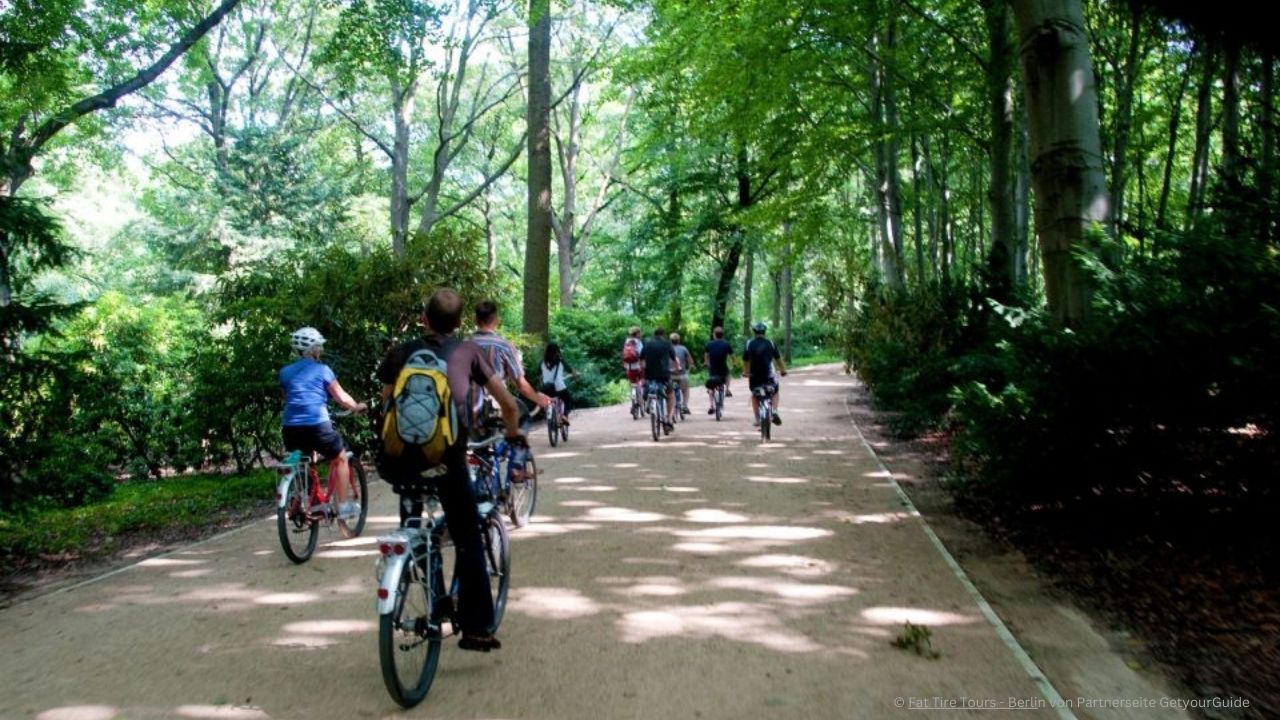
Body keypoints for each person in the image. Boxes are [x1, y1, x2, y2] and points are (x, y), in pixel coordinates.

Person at [376, 289, 525, 652]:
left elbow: (386, 403)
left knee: (414, 521)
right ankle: (475, 629)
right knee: (468, 536)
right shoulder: (468, 351)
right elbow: (507, 403)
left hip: (398, 461)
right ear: (460, 323)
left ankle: (424, 580)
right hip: (446, 460)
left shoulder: (402, 352)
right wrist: (512, 430)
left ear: (423, 318)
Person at [279, 327, 367, 519]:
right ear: (315, 349)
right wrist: (357, 407)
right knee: (341, 458)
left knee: (301, 459)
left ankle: (304, 499)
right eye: (319, 347)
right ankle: (343, 506)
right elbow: (341, 397)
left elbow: (287, 399)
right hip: (318, 427)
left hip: (291, 429)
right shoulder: (323, 370)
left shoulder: (285, 373)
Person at [470, 299, 550, 426]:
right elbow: (522, 386)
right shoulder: (504, 347)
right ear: (496, 320)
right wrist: (538, 399)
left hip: (466, 411)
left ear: (475, 319)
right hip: (495, 410)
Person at [742, 321, 787, 426]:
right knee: (775, 391)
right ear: (764, 332)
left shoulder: (749, 344)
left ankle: (757, 419)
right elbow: (778, 359)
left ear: (754, 332)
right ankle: (774, 411)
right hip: (769, 374)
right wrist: (783, 371)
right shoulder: (771, 343)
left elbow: (745, 361)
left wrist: (746, 372)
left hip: (754, 375)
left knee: (754, 394)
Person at [640, 326, 678, 430]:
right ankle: (669, 419)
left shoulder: (647, 344)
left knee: (648, 386)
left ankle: (649, 401)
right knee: (670, 394)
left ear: (654, 335)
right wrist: (676, 368)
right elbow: (675, 360)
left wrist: (643, 372)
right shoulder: (667, 344)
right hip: (664, 375)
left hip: (650, 374)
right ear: (663, 335)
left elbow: (641, 361)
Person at [539, 342, 577, 424]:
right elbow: (571, 371)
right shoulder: (560, 361)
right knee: (567, 400)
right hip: (559, 387)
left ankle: (550, 414)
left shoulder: (542, 362)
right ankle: (564, 416)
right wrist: (575, 375)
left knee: (549, 399)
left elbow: (539, 375)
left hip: (546, 388)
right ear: (557, 351)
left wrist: (542, 381)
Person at [703, 326, 734, 414]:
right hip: (723, 368)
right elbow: (733, 356)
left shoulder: (709, 344)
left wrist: (706, 363)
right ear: (722, 335)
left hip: (713, 368)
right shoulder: (726, 344)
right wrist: (734, 364)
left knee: (711, 387)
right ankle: (727, 389)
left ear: (714, 335)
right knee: (728, 374)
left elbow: (706, 355)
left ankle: (711, 405)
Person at [670, 332, 694, 414]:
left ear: (671, 341)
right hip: (681, 374)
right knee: (686, 389)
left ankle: (671, 408)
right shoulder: (684, 349)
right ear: (679, 340)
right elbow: (690, 361)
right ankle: (685, 406)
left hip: (670, 375)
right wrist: (689, 369)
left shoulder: (667, 349)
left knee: (670, 391)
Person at [622, 326, 644, 410]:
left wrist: (624, 364)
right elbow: (642, 354)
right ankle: (640, 400)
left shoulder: (627, 341)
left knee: (632, 384)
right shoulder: (639, 342)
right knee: (641, 381)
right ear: (637, 333)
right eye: (640, 333)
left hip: (629, 367)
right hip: (638, 366)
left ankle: (633, 399)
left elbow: (623, 354)